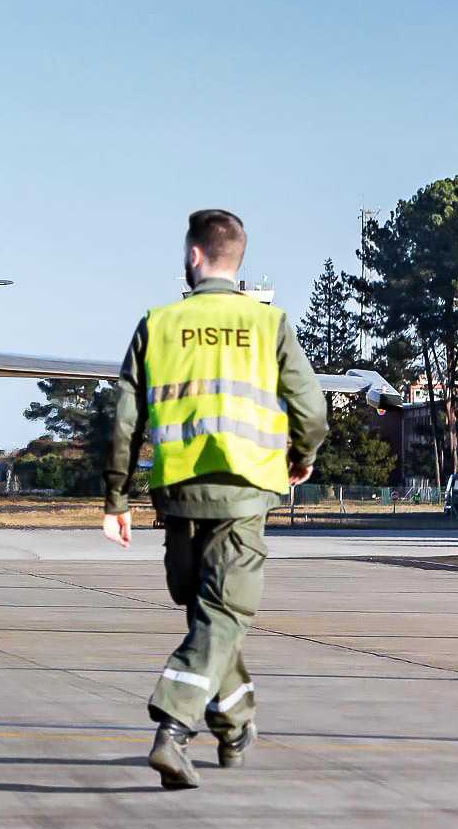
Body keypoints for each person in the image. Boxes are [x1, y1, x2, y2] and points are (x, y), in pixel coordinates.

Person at [101, 209, 327, 789]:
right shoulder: (269, 325)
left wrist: (117, 499)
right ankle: (174, 729)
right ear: (237, 260)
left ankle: (234, 724)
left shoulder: (158, 323)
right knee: (223, 613)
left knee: (206, 609)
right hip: (244, 493)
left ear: (193, 256)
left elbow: (127, 419)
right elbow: (312, 409)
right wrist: (302, 457)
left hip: (177, 494)